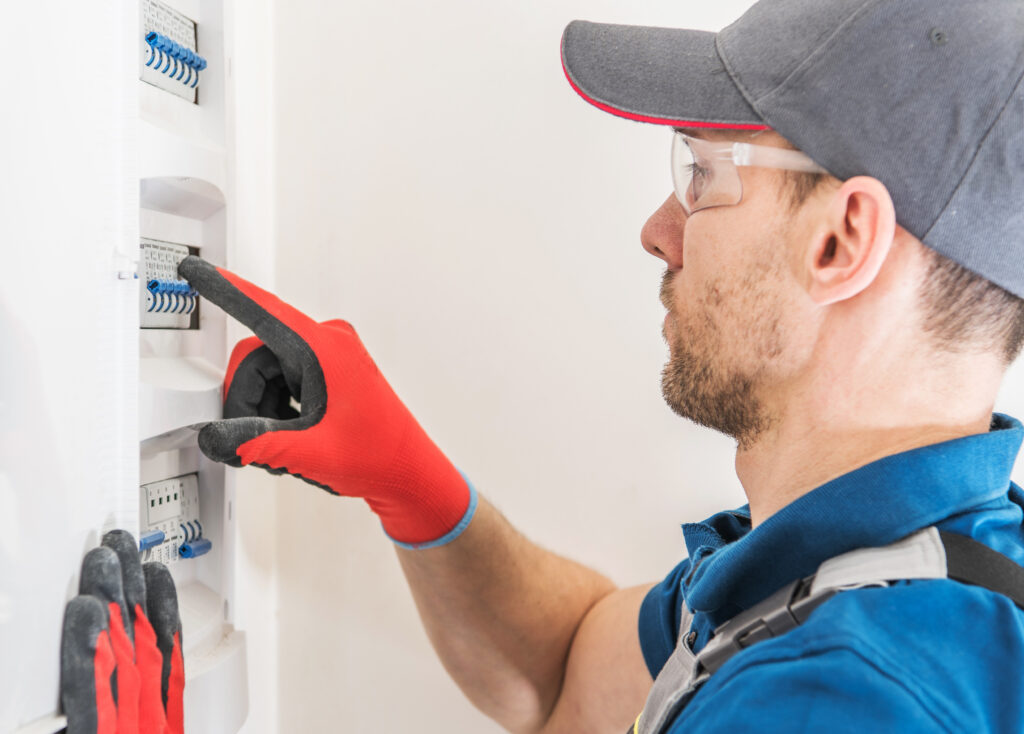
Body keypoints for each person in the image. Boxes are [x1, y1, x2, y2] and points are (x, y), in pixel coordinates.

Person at [180, 0, 1024, 731]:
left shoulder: (843, 702)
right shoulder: (926, 560)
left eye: (702, 173)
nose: (658, 231)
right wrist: (407, 480)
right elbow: (565, 678)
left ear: (840, 243)